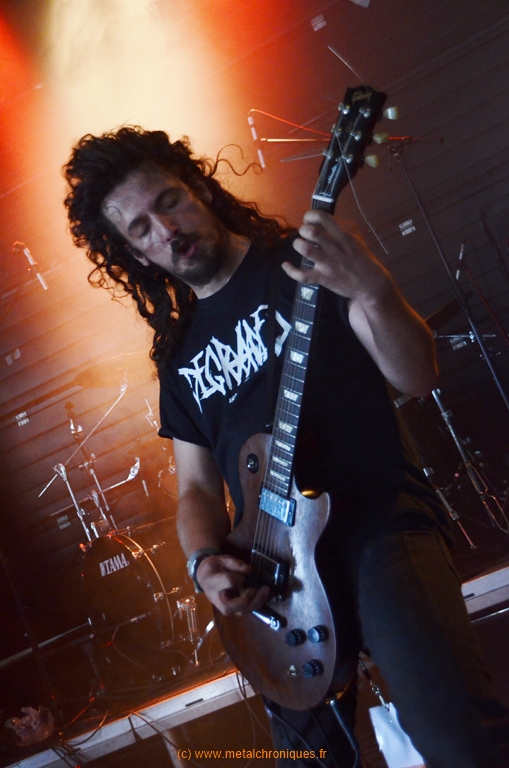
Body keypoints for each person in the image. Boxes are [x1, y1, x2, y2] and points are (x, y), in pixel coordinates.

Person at [64, 126, 508, 768]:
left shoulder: (302, 265)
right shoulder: (180, 356)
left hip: (379, 528)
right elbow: (195, 490)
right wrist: (203, 564)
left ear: (200, 188)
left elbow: (418, 376)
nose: (166, 230)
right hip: (275, 579)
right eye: (141, 229)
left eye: (169, 201)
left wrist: (373, 290)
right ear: (135, 254)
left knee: (457, 739)